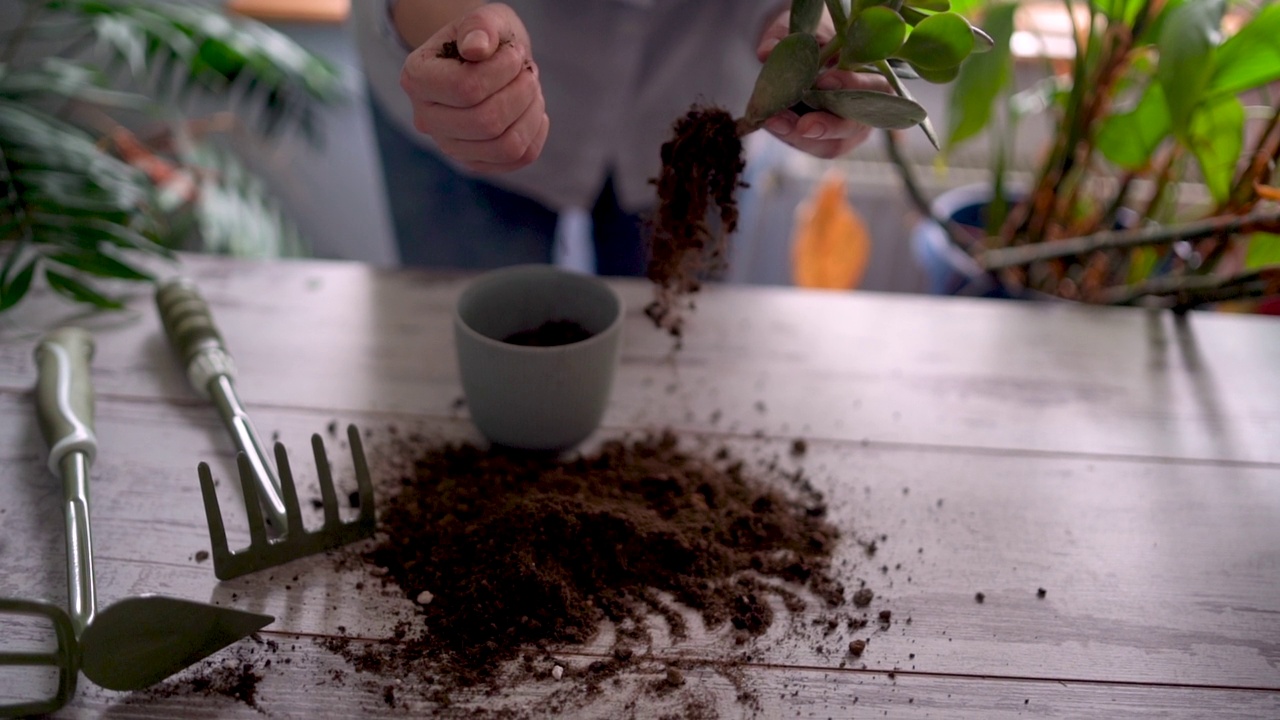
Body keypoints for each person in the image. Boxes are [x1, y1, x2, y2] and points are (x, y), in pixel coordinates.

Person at [353, 1, 884, 275]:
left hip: (698, 90)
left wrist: (818, 38)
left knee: (668, 368)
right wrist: (459, 34)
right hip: (458, 92)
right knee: (458, 368)